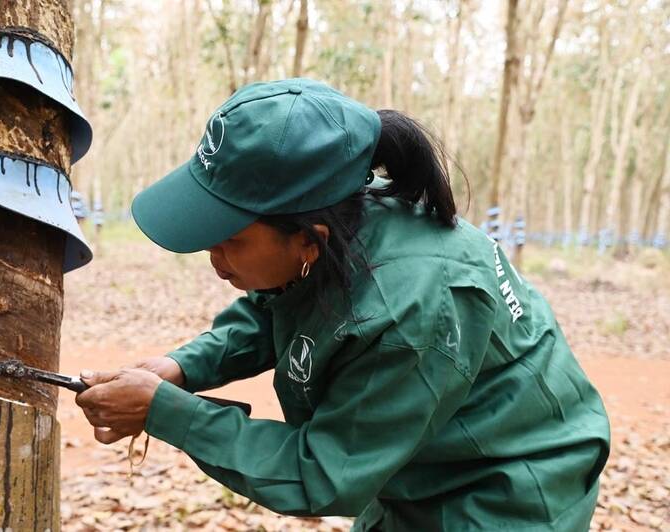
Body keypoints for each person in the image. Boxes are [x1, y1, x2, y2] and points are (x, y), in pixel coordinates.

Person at [75, 78, 610, 531]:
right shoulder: (340, 219)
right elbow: (278, 303)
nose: (214, 257)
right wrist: (181, 367)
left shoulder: (411, 310)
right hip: (418, 459)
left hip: (508, 488)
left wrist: (165, 411)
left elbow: (325, 473)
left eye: (229, 239)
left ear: (311, 239)